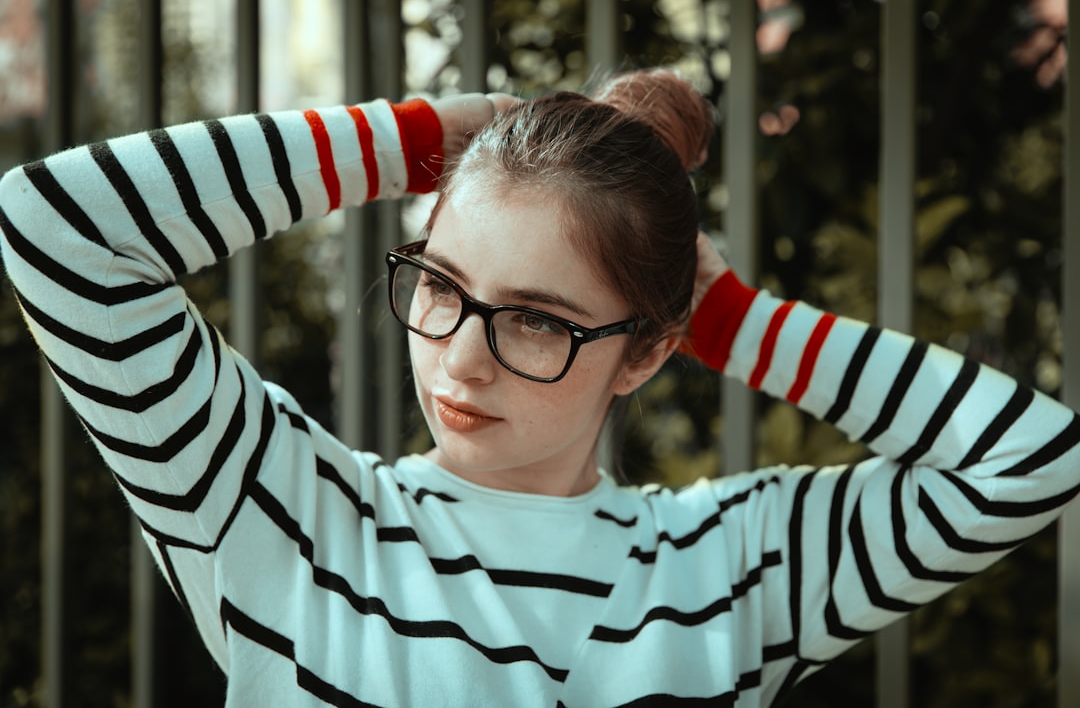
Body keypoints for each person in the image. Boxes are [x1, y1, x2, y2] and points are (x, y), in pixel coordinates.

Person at [1, 67, 1077, 707]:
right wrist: (422, 140)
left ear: (648, 351)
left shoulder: (736, 563)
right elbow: (57, 230)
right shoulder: (280, 517)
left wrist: (732, 322)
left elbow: (1033, 459)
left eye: (536, 320)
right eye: (439, 284)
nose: (460, 358)